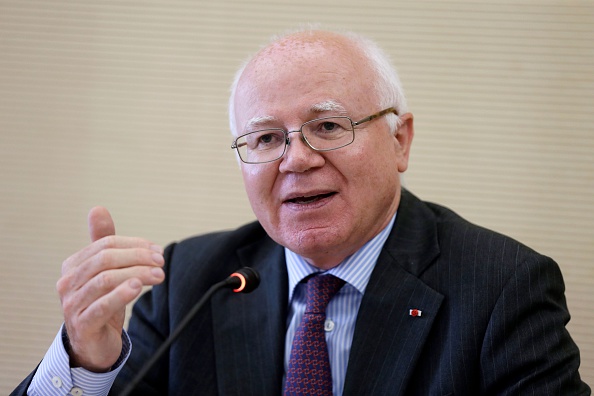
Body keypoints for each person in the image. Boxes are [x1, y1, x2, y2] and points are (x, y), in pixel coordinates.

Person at [13, 29, 590, 395]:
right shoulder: (193, 278)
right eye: (265, 139)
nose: (296, 159)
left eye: (329, 126)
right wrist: (87, 359)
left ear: (400, 142)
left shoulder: (502, 287)